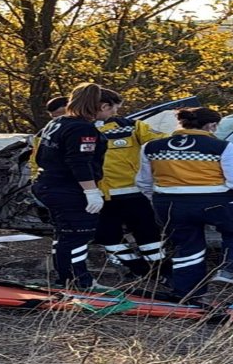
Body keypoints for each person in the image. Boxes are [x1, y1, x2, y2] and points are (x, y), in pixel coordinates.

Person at [136, 107, 233, 303]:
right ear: (212, 125)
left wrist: (156, 199)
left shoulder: (151, 147)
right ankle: (227, 269)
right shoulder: (222, 147)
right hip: (216, 203)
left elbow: (144, 181)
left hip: (169, 204)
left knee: (187, 245)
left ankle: (186, 292)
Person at [30, 84, 109, 289]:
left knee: (64, 233)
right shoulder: (82, 128)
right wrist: (91, 191)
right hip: (67, 188)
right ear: (97, 105)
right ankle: (80, 280)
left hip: (48, 183)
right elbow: (79, 162)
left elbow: (40, 154)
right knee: (79, 234)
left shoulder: (57, 122)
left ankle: (65, 277)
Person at [95, 96, 167, 279]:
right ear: (105, 105)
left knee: (148, 236)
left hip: (132, 193)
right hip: (98, 196)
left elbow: (161, 142)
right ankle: (138, 270)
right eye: (114, 108)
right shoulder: (77, 128)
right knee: (109, 237)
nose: (115, 113)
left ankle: (161, 272)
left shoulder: (131, 126)